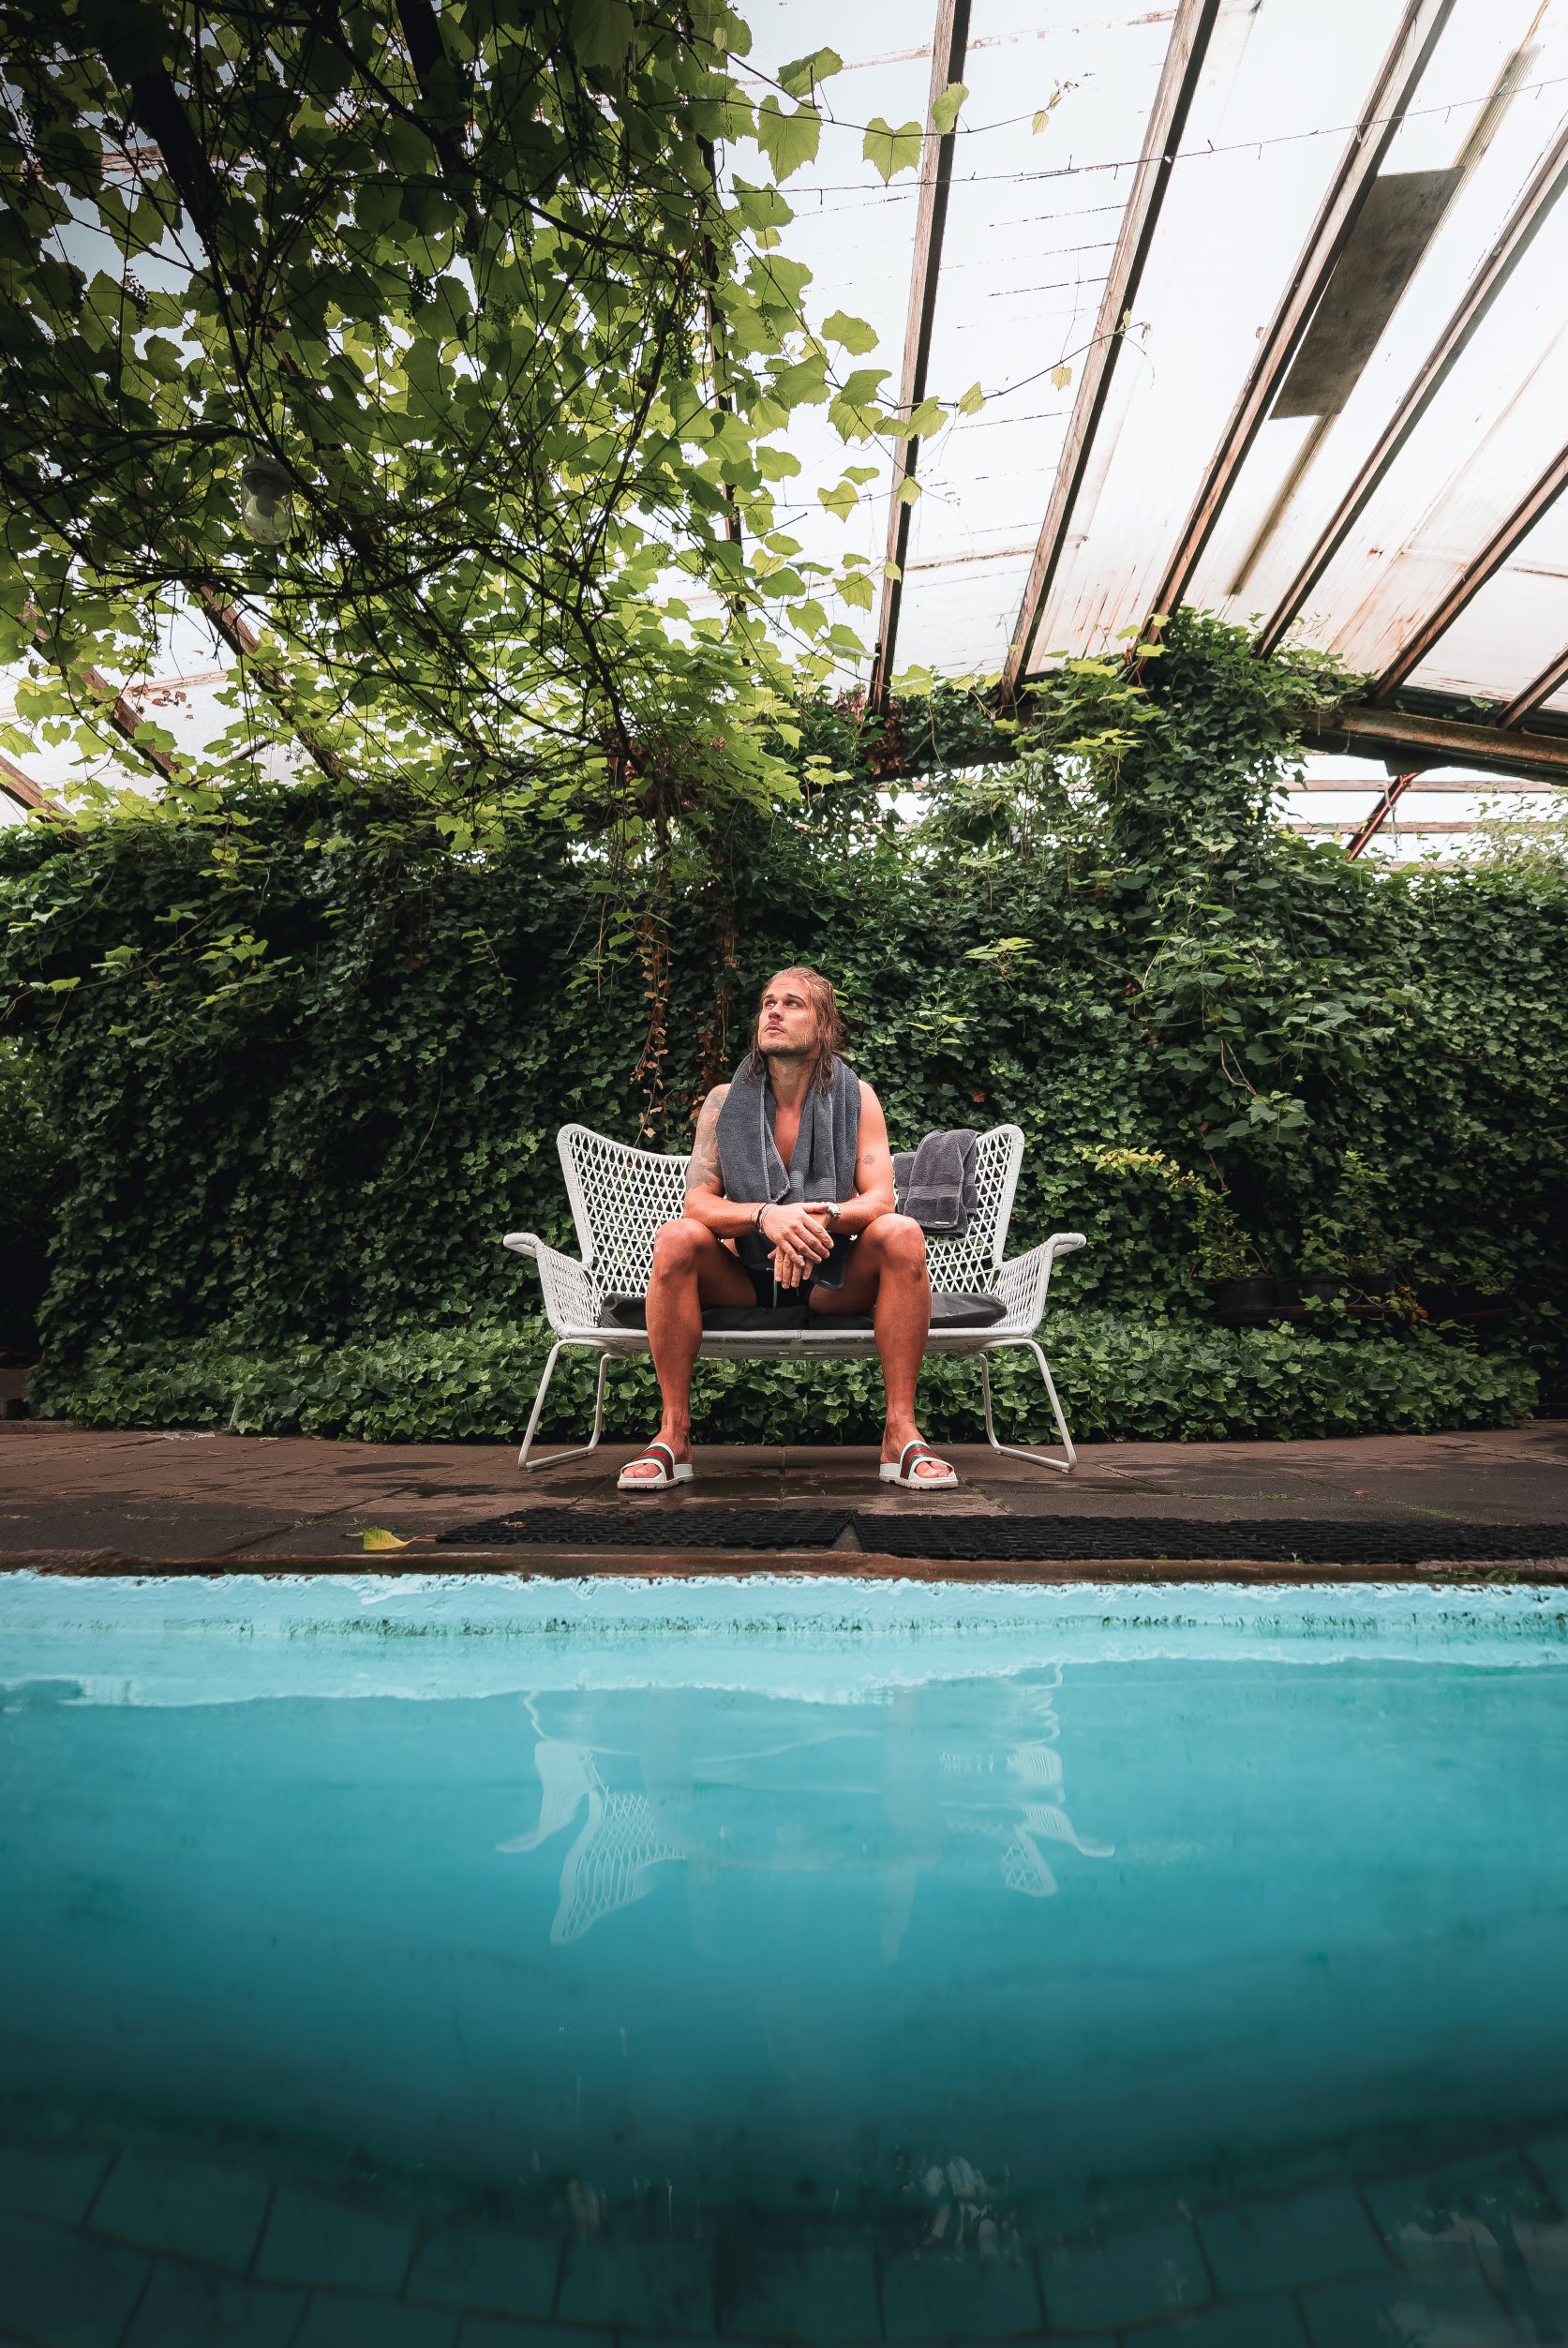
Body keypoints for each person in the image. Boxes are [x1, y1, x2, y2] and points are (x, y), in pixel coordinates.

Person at [619, 966, 957, 1491]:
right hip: (744, 1275)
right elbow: (697, 1202)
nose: (773, 1011)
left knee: (902, 1232)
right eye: (768, 1002)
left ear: (823, 1027)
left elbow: (879, 1199)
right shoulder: (722, 1101)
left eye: (792, 1003)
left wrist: (817, 1218)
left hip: (832, 1276)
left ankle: (900, 1431)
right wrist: (765, 1216)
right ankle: (673, 1434)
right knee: (675, 1237)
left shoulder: (858, 1097)